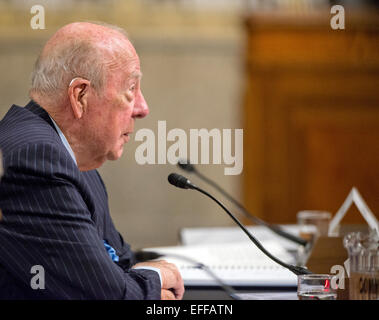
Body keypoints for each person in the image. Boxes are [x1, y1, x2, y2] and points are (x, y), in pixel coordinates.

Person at [0, 22, 184, 300]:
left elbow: (119, 261)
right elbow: (108, 296)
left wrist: (142, 279)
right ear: (80, 96)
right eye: (131, 89)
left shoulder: (68, 154)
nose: (142, 108)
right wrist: (155, 280)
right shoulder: (35, 161)